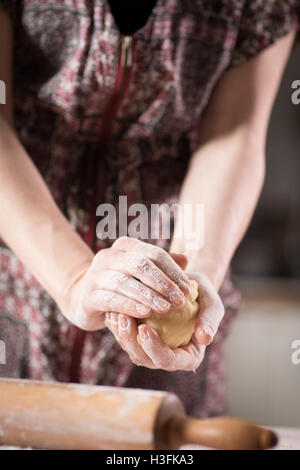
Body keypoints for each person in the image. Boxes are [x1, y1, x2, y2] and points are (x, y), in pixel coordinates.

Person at [0, 0, 298, 418]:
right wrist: (74, 280)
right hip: (18, 280)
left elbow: (234, 133)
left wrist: (197, 273)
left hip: (176, 257)